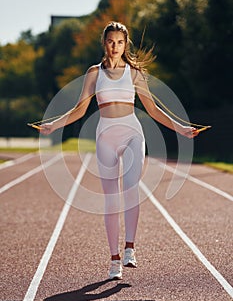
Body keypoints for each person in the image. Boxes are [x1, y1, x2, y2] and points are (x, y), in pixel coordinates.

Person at [40, 21, 198, 280]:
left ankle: (130, 248)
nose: (115, 47)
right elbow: (80, 110)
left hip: (132, 134)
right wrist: (53, 125)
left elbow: (154, 110)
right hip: (105, 136)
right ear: (104, 43)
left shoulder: (135, 73)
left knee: (131, 189)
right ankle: (114, 260)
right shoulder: (94, 73)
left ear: (126, 44)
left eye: (120, 42)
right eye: (111, 42)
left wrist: (181, 128)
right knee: (111, 199)